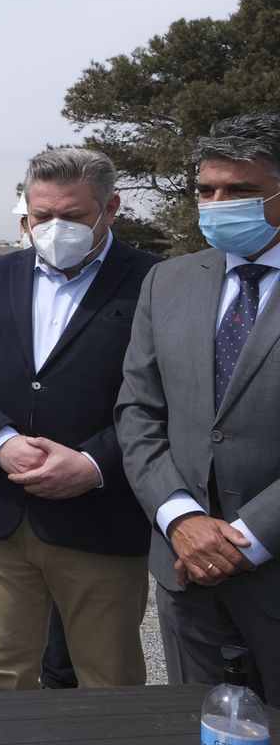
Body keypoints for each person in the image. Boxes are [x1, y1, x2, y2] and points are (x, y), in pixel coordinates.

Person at [0, 147, 159, 693]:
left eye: (74, 216)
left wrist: (93, 462)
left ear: (111, 208)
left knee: (107, 681)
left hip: (101, 518)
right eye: (42, 217)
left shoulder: (155, 282)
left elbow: (166, 396)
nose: (55, 228)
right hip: (3, 514)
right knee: (2, 676)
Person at [119, 113, 280, 701]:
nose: (217, 203)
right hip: (184, 571)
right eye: (206, 189)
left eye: (239, 191)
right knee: (197, 742)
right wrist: (181, 519)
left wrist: (246, 538)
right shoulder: (169, 281)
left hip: (269, 562)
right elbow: (138, 411)